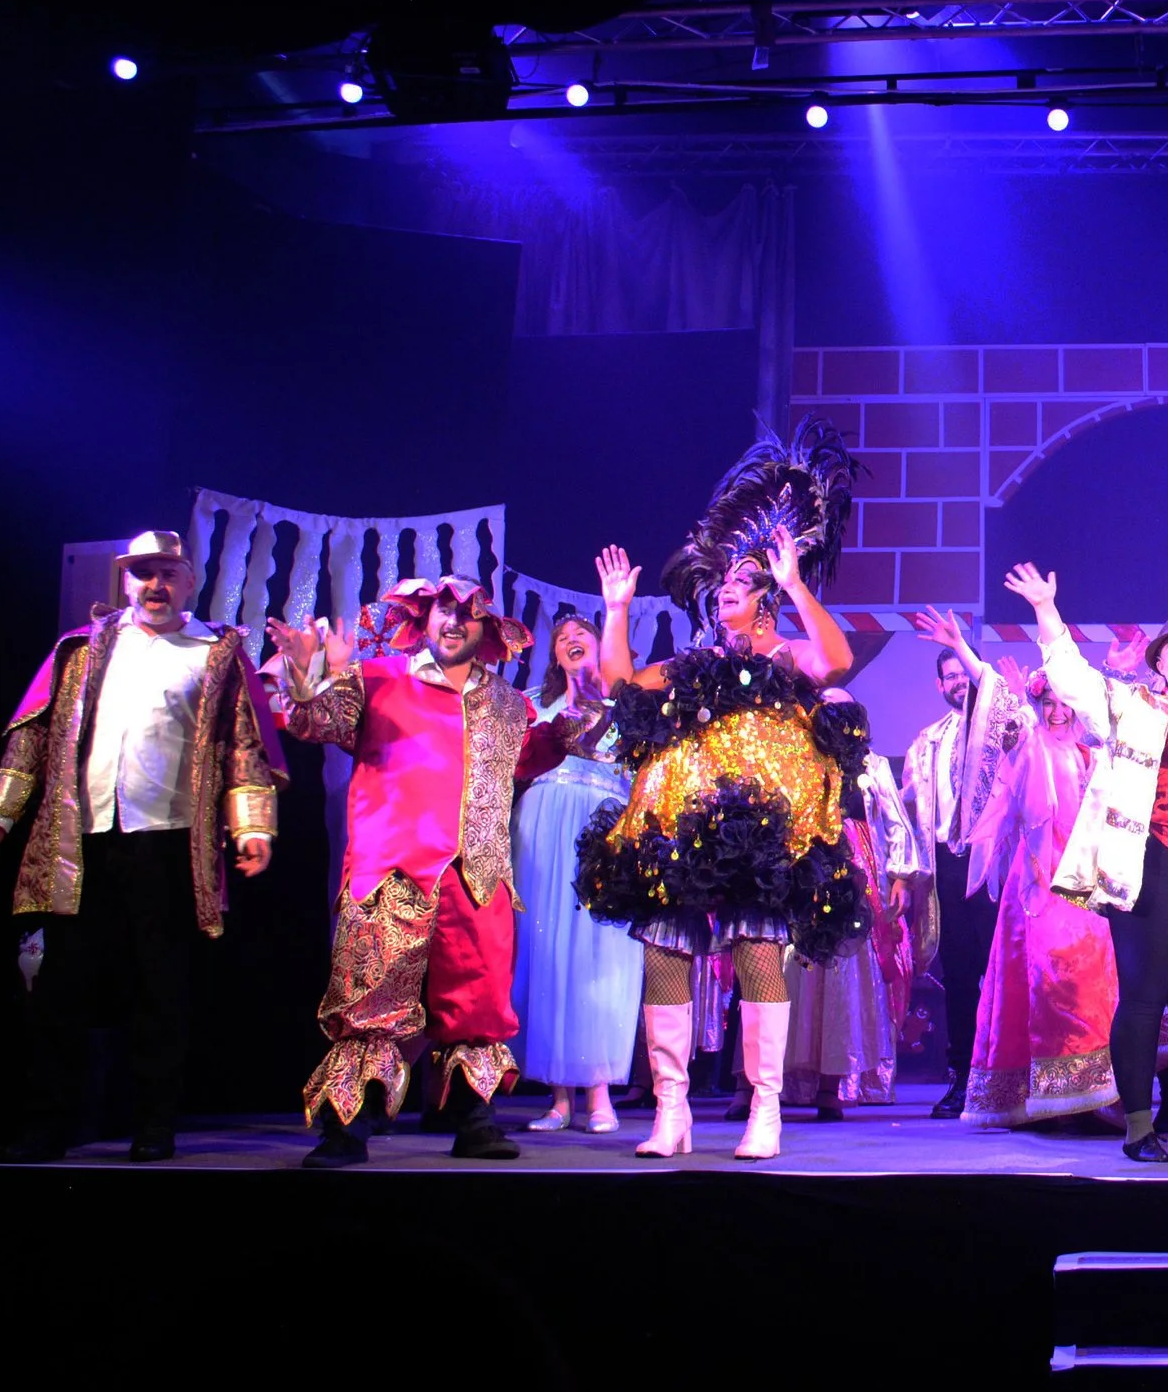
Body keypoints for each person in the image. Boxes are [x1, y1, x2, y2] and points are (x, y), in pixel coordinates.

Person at [574, 418, 871, 1161]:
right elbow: (618, 685)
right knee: (665, 953)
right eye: (722, 586)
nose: (723, 593)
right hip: (684, 822)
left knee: (757, 957)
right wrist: (614, 609)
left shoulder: (789, 651)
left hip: (764, 831)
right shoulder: (695, 660)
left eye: (740, 584)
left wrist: (798, 583)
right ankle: (670, 1112)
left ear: (763, 597)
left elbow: (836, 663)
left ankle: (763, 1110)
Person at [0, 530, 284, 1163]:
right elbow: (32, 738)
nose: (154, 585)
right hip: (80, 843)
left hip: (166, 844)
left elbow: (245, 747)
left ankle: (154, 1124)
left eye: (166, 573)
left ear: (188, 580)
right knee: (60, 989)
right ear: (125, 581)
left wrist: (252, 826)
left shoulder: (215, 652)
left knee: (159, 990)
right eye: (142, 574)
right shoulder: (80, 650)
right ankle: (47, 1124)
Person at [269, 575, 565, 1168]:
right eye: (440, 613)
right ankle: (348, 1127)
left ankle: (474, 1120)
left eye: (466, 615)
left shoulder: (509, 704)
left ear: (487, 631)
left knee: (477, 1006)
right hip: (392, 869)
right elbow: (311, 722)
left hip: (476, 873)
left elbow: (536, 755)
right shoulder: (377, 681)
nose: (452, 623)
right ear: (422, 622)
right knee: (370, 1001)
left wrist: (579, 720)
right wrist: (307, 679)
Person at [1008, 563, 1168, 1162]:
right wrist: (1047, 610)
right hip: (1154, 864)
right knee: (1147, 995)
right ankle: (1140, 1128)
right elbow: (1070, 678)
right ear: (1158, 663)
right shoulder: (1131, 705)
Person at [939, 628, 1125, 1130]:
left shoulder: (1090, 754)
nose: (1058, 712)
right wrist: (963, 650)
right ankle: (1050, 1097)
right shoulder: (1030, 744)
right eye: (1049, 703)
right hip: (1042, 884)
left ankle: (1090, 1094)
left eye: (1066, 704)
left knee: (1093, 982)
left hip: (1086, 884)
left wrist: (1118, 671)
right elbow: (999, 703)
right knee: (1051, 981)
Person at [511, 613, 643, 1134]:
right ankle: (559, 1099)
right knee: (546, 953)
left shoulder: (623, 706)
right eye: (562, 638)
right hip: (543, 827)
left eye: (581, 635)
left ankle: (600, 1093)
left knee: (597, 955)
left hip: (602, 826)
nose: (570, 641)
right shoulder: (533, 705)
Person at [901, 619, 1021, 1119]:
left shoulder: (1002, 729)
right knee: (962, 976)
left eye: (963, 673)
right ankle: (962, 1079)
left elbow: (1013, 719)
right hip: (947, 869)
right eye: (948, 675)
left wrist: (969, 657)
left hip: (993, 865)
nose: (957, 683)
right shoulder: (926, 741)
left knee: (1001, 973)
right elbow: (909, 812)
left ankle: (1010, 1078)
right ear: (938, 685)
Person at [784, 693, 911, 1117]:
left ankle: (834, 1084)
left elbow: (895, 821)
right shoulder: (801, 758)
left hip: (857, 874)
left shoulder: (871, 765)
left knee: (845, 976)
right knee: (797, 972)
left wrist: (899, 876)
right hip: (809, 868)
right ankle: (777, 1082)